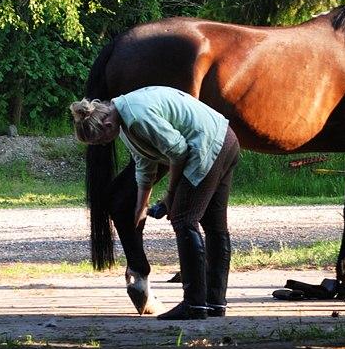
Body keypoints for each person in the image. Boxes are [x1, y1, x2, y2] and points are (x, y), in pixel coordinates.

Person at [70, 85, 240, 320]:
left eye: (100, 141)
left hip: (208, 146)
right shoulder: (124, 116)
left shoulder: (137, 117)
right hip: (225, 138)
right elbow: (144, 163)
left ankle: (195, 304)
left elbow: (178, 151)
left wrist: (171, 194)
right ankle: (214, 303)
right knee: (214, 226)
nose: (103, 145)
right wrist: (140, 208)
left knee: (183, 218)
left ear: (106, 126)